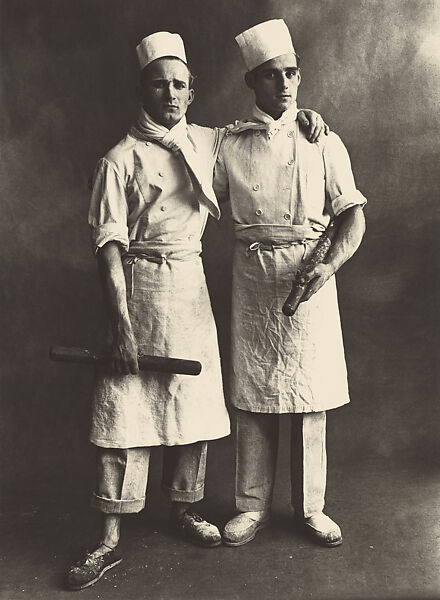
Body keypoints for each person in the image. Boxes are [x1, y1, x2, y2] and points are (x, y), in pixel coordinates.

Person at [66, 30, 327, 590]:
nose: (170, 94)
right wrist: (121, 325)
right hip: (137, 288)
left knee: (191, 405)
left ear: (193, 91)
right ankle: (110, 534)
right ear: (143, 89)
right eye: (159, 84)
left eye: (180, 85)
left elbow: (268, 136)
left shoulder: (214, 141)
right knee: (124, 410)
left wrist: (309, 119)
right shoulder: (119, 159)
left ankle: (183, 508)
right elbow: (108, 250)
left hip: (190, 289)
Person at [213, 19, 366, 548]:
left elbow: (353, 218)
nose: (285, 84)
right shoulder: (228, 145)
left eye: (292, 73)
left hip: (310, 274)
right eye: (272, 75)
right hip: (253, 276)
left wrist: (329, 267)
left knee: (309, 396)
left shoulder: (324, 140)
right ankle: (250, 506)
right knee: (254, 394)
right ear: (252, 81)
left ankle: (311, 507)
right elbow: (189, 192)